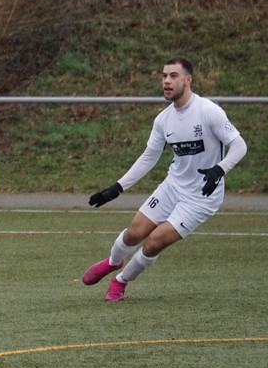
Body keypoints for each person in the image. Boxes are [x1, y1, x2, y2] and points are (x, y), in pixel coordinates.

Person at [82, 55, 247, 301]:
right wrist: (118, 187)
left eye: (173, 76)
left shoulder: (208, 111)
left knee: (154, 242)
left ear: (188, 80)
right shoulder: (163, 119)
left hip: (201, 197)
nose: (166, 81)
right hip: (172, 187)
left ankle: (120, 281)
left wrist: (220, 169)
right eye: (164, 76)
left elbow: (239, 145)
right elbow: (149, 157)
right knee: (133, 233)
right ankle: (113, 262)